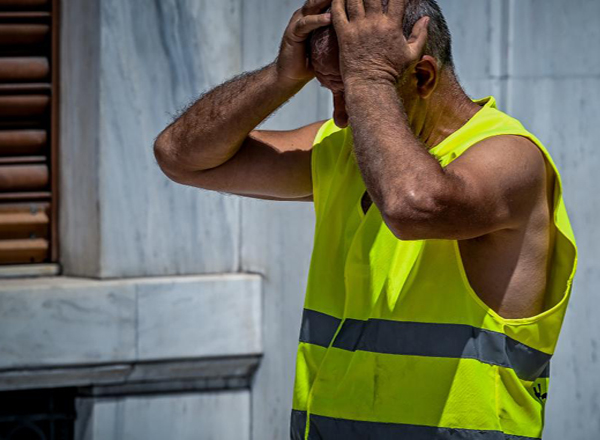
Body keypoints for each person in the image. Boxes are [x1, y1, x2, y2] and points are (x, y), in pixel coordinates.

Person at [153, 0, 578, 438]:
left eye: (349, 92)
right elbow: (181, 157)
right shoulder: (349, 149)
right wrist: (280, 77)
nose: (340, 114)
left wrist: (369, 76)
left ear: (424, 75)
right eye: (333, 90)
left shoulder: (509, 157)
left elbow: (412, 207)